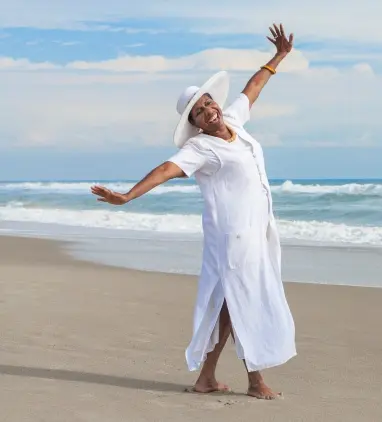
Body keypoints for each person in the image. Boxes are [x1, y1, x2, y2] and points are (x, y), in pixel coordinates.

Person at [91, 23, 297, 400]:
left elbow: (252, 89)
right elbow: (165, 170)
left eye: (208, 103)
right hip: (233, 235)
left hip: (256, 229)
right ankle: (255, 380)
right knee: (242, 299)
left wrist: (278, 57)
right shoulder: (200, 149)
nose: (208, 111)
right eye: (199, 113)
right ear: (194, 124)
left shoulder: (234, 122)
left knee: (229, 302)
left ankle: (207, 377)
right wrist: (128, 196)